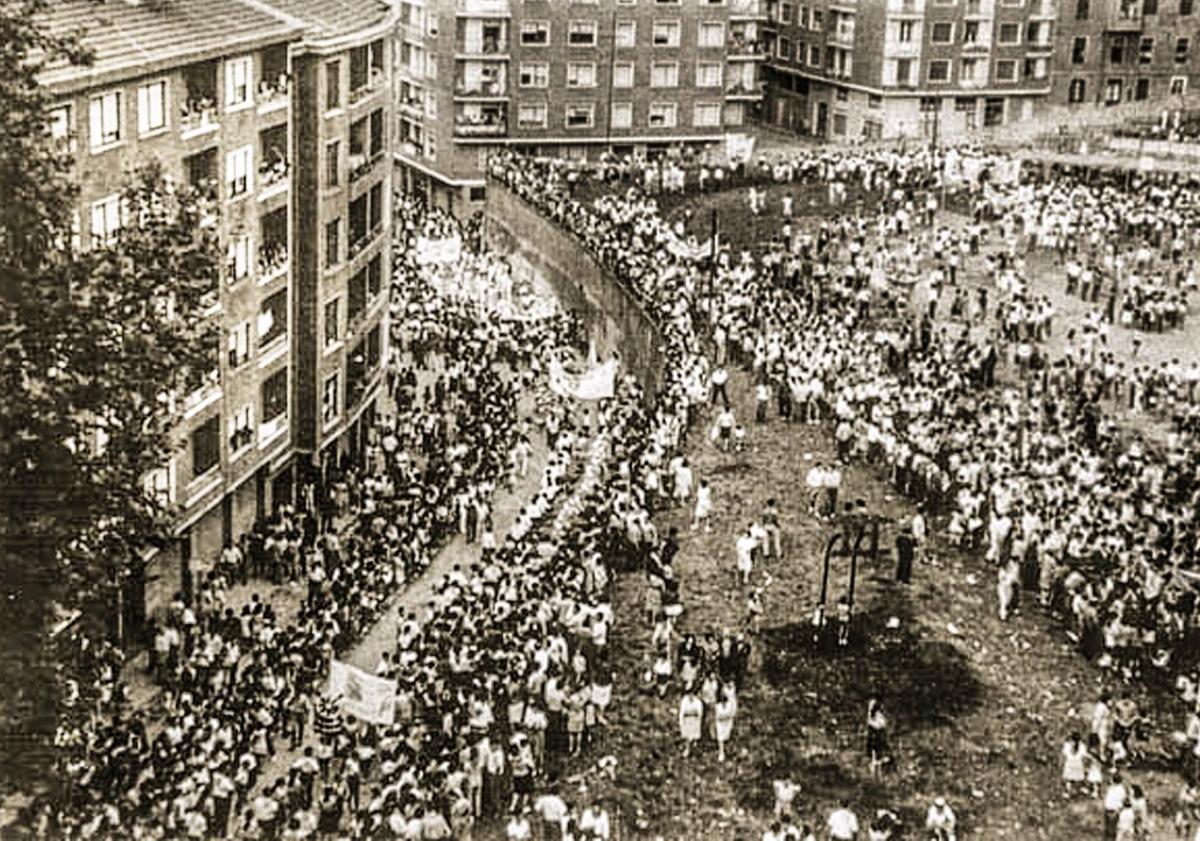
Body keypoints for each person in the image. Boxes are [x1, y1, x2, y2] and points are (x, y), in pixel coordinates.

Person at [714, 684, 738, 763]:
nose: (723, 703)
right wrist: (723, 717)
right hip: (720, 724)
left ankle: (729, 750)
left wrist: (727, 717)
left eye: (725, 701)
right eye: (722, 701)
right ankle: (721, 752)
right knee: (720, 737)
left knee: (727, 736)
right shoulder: (718, 707)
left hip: (727, 723)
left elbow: (731, 714)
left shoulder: (729, 705)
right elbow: (717, 717)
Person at [1061, 732, 1087, 796]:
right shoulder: (1082, 746)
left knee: (1069, 779)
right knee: (1080, 777)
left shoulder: (1067, 745)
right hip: (1078, 763)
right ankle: (1083, 788)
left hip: (1069, 763)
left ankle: (1067, 792)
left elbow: (1064, 753)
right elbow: (1083, 756)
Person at [679, 689, 703, 758]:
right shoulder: (684, 700)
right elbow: (682, 712)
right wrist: (681, 722)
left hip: (695, 721)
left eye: (692, 694)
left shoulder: (698, 702)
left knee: (694, 736)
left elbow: (699, 713)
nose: (691, 696)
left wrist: (696, 717)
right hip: (687, 720)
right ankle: (687, 749)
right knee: (687, 736)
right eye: (689, 694)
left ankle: (695, 749)